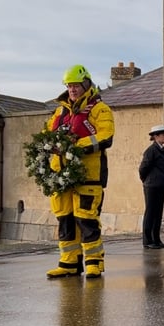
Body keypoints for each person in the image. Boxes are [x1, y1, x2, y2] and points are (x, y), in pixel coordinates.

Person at [45, 65, 115, 279]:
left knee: (86, 219)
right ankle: (69, 263)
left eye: (75, 85)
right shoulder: (60, 111)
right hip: (61, 175)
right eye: (69, 85)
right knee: (64, 219)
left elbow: (105, 137)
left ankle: (94, 262)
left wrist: (75, 146)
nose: (72, 89)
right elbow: (47, 133)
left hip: (88, 174)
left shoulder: (99, 109)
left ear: (85, 85)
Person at [139, 125, 164, 249]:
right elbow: (143, 168)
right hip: (151, 185)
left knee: (158, 212)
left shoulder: (162, 150)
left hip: (160, 185)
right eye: (163, 134)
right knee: (150, 212)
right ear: (156, 137)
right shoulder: (151, 151)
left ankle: (156, 238)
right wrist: (146, 180)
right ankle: (148, 240)